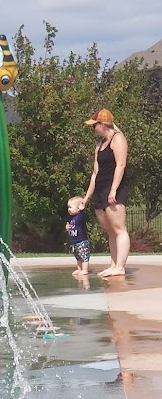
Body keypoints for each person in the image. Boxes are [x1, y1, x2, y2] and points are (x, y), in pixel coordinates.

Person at [83, 108, 130, 279]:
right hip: (101, 188)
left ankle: (120, 267)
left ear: (102, 124)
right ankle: (113, 264)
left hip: (114, 187)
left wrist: (113, 190)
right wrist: (86, 198)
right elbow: (95, 173)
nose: (93, 128)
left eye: (94, 125)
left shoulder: (118, 138)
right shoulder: (99, 145)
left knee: (119, 229)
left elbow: (121, 165)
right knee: (110, 230)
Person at [65, 196, 90, 278]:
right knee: (78, 256)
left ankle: (85, 269)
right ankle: (79, 269)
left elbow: (85, 215)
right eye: (68, 207)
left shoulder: (80, 216)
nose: (68, 209)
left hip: (82, 241)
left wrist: (82, 209)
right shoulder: (72, 218)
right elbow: (70, 227)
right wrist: (67, 228)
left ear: (78, 208)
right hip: (74, 241)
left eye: (70, 207)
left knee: (84, 256)